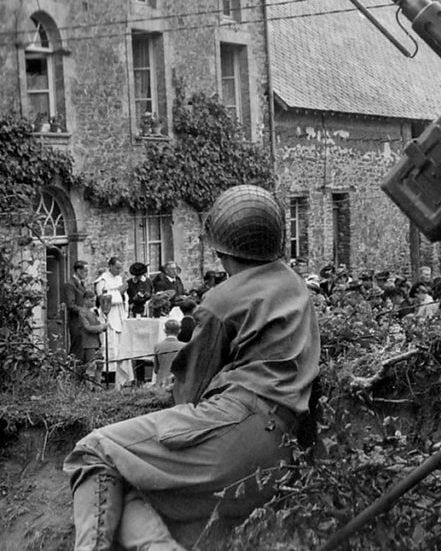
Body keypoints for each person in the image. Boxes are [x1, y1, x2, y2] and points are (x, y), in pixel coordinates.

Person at [64, 184, 321, 550]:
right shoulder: (296, 286)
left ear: (220, 251)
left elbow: (189, 391)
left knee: (93, 451)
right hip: (281, 450)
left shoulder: (223, 300)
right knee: (134, 484)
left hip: (235, 427)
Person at [94, 257, 131, 386]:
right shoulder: (102, 280)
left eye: (120, 268)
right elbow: (103, 298)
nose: (119, 270)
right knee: (110, 345)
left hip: (120, 316)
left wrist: (123, 294)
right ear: (110, 266)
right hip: (109, 317)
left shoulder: (119, 279)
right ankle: (108, 375)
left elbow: (125, 298)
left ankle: (120, 375)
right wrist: (119, 292)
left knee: (121, 346)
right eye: (117, 268)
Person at [64, 260, 90, 367]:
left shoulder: (80, 284)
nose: (86, 273)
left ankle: (80, 376)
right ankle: (71, 376)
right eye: (85, 271)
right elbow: (71, 305)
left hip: (82, 322)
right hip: (76, 322)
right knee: (76, 351)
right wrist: (84, 311)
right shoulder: (69, 284)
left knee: (82, 350)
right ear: (78, 270)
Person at [79, 290, 108, 385]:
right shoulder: (82, 312)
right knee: (91, 366)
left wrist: (103, 326)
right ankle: (89, 387)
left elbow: (96, 323)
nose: (93, 303)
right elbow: (87, 327)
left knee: (100, 365)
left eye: (94, 300)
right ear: (85, 300)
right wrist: (100, 327)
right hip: (88, 342)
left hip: (97, 342)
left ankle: (98, 386)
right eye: (91, 300)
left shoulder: (93, 312)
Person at [152, 320, 187, 388]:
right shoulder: (184, 346)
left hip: (161, 382)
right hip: (177, 383)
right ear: (179, 331)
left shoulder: (158, 346)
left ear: (165, 330)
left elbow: (156, 369)